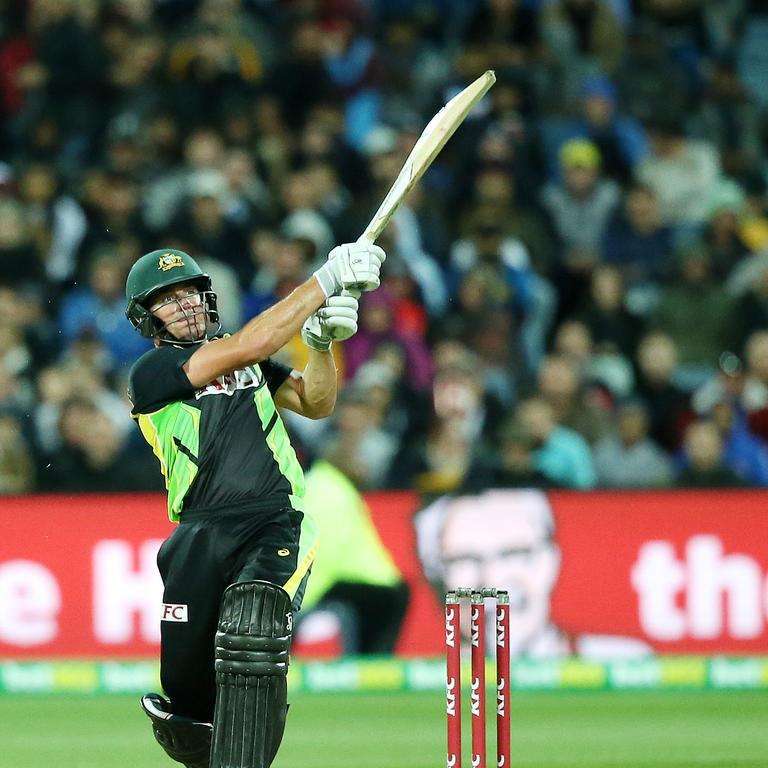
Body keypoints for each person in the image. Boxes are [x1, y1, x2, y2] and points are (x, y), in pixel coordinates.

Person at [124, 241, 385, 768]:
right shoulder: (153, 373)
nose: (186, 305)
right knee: (187, 702)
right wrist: (323, 283)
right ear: (147, 319)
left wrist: (321, 343)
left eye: (191, 293)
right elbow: (252, 342)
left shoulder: (248, 358)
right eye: (168, 300)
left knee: (252, 626)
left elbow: (316, 401)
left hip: (272, 518)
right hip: (198, 532)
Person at [414, 488, 651, 658]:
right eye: (465, 559)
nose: (493, 580)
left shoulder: (623, 659)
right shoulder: (431, 680)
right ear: (434, 573)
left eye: (514, 554)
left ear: (550, 561)